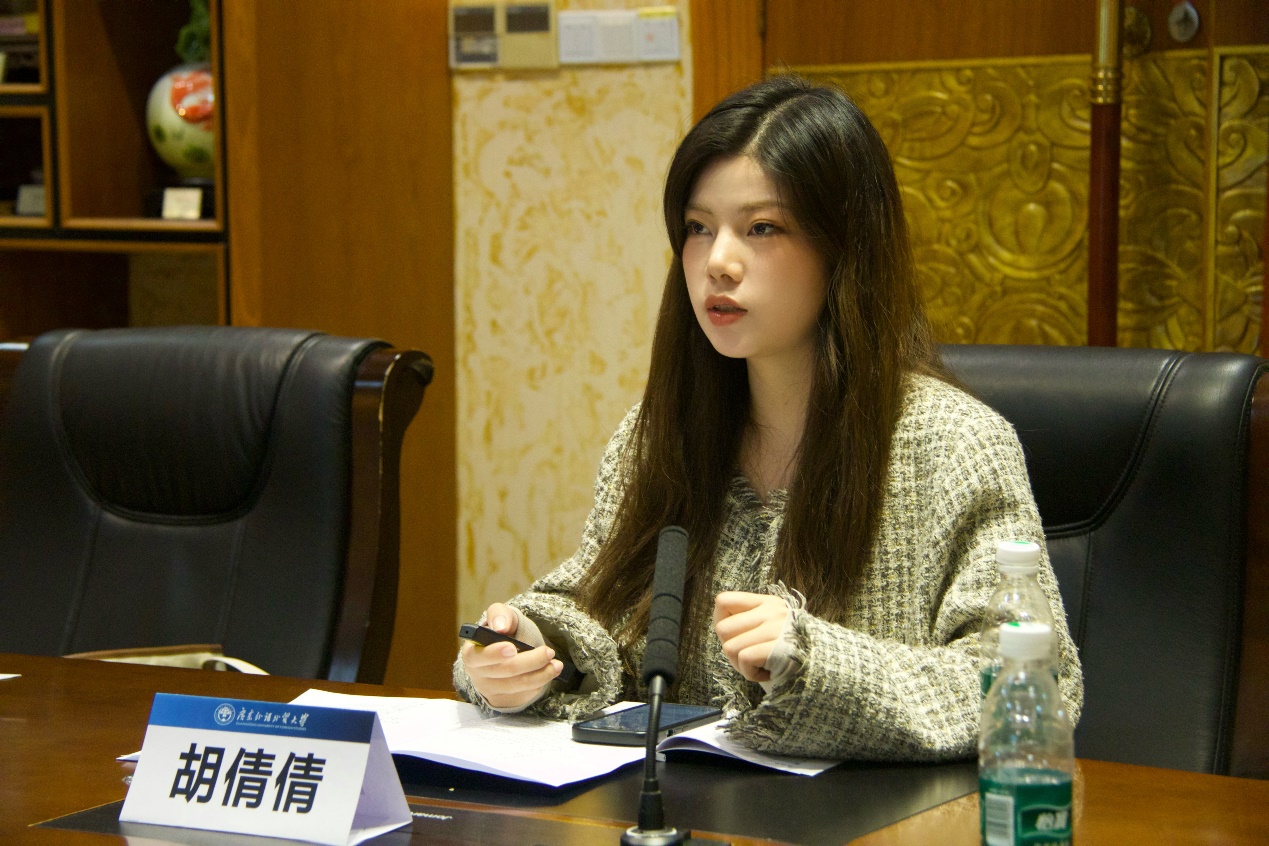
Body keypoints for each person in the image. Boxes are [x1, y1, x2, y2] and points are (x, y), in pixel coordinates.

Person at [455, 75, 1083, 761]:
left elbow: (1032, 680)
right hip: (684, 807)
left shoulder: (955, 445)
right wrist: (532, 651)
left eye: (761, 228)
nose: (717, 263)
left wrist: (817, 662)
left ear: (843, 246)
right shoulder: (656, 434)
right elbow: (601, 610)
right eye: (698, 228)